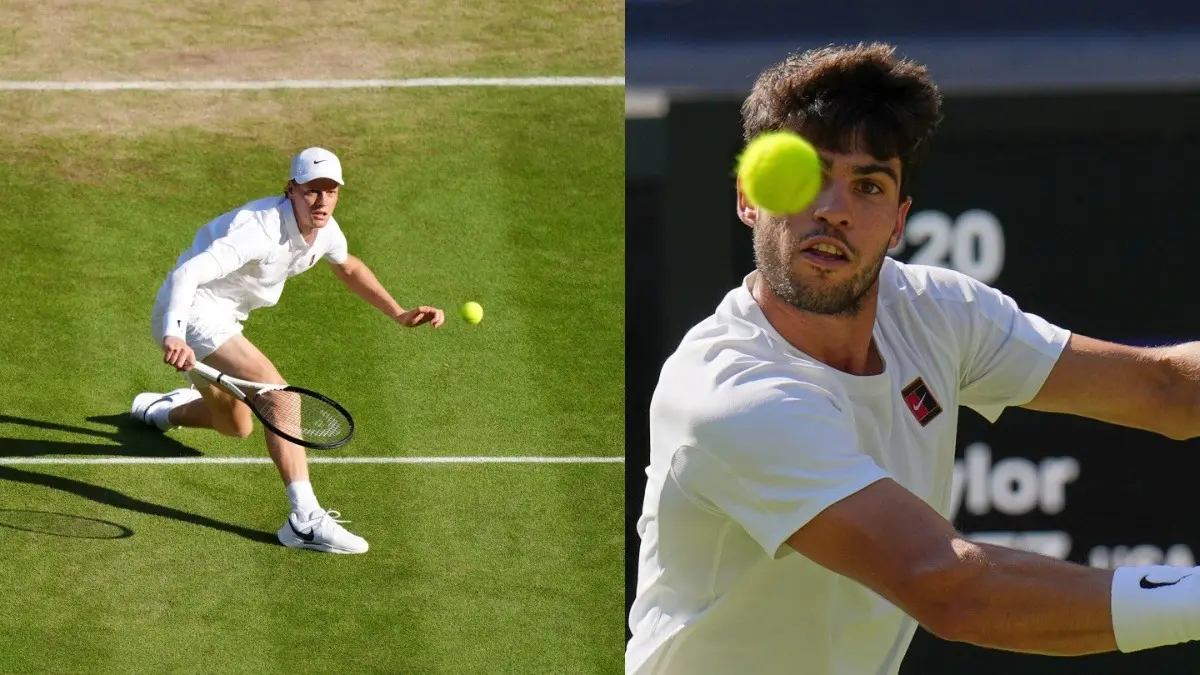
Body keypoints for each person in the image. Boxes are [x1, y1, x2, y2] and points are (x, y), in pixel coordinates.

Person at [627, 42, 1200, 674]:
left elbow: (1166, 392)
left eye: (867, 185)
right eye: (804, 174)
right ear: (748, 196)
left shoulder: (936, 311)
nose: (833, 210)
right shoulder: (729, 392)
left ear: (898, 221)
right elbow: (950, 588)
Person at [132, 147, 445, 555]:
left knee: (235, 425)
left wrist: (399, 313)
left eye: (330, 191)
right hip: (190, 311)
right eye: (312, 191)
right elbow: (187, 273)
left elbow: (347, 266)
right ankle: (305, 519)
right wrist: (175, 334)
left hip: (225, 319)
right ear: (291, 190)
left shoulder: (325, 229)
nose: (322, 201)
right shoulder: (258, 230)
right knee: (278, 396)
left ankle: (161, 412)